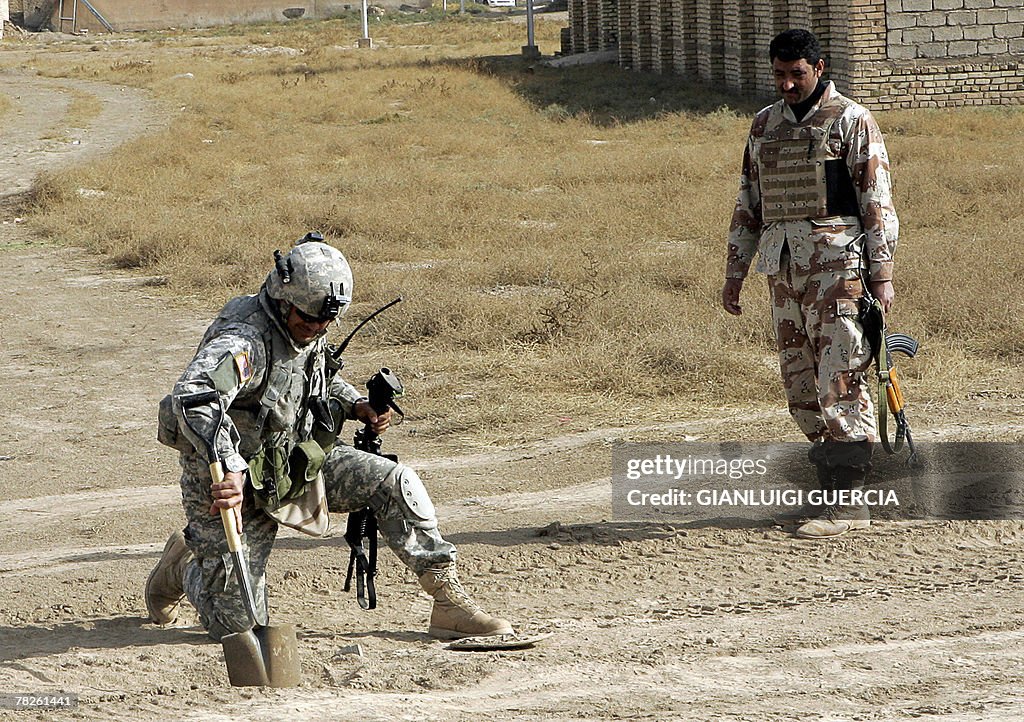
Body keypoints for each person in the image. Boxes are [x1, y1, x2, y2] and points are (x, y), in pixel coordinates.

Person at [146, 233, 513, 640]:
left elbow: (311, 378)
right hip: (233, 479)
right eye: (308, 319)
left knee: (397, 482)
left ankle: (448, 603)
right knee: (240, 624)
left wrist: (357, 404)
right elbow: (195, 397)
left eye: (325, 322)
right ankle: (184, 566)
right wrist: (230, 467)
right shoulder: (244, 340)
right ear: (283, 301)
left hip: (296, 460)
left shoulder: (308, 320)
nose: (317, 328)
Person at [721, 29, 899, 539]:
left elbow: (876, 202)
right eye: (779, 74)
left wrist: (881, 276)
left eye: (796, 74)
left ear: (819, 68)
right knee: (800, 384)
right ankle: (827, 493)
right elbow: (748, 202)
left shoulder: (851, 121)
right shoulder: (763, 127)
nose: (787, 84)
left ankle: (853, 502)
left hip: (838, 271)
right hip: (783, 272)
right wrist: (735, 273)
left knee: (840, 377)